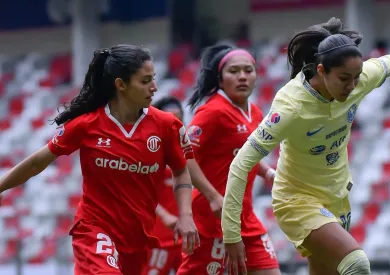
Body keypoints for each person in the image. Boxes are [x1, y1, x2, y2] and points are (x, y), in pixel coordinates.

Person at [221, 17, 390, 275]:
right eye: (345, 78)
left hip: (337, 200)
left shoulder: (357, 80)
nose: (352, 86)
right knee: (357, 265)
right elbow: (241, 163)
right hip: (296, 201)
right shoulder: (291, 106)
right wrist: (232, 235)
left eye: (357, 77)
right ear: (322, 71)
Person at [0, 45, 200, 275]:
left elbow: (181, 171)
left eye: (153, 79)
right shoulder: (87, 124)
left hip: (137, 238)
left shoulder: (167, 125)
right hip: (94, 229)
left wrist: (186, 216)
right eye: (145, 81)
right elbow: (38, 162)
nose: (154, 88)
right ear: (121, 85)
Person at [176, 44, 281, 275]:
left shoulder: (255, 112)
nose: (242, 76)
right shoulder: (212, 111)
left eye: (248, 70)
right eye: (234, 71)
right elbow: (184, 155)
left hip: (244, 216)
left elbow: (244, 153)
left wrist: (268, 173)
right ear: (220, 79)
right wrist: (213, 196)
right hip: (211, 219)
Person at [141, 96, 186, 275]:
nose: (175, 123)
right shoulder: (148, 151)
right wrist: (164, 215)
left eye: (179, 118)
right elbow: (140, 193)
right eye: (170, 117)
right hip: (157, 238)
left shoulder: (188, 150)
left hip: (186, 239)